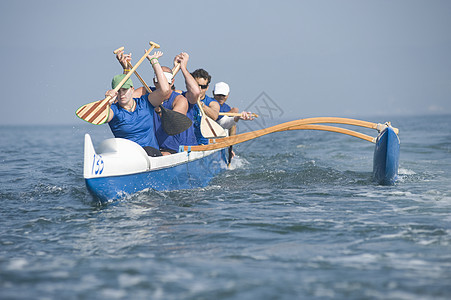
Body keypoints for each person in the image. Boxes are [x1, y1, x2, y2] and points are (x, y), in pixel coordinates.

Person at [116, 51, 200, 155]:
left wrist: (159, 112)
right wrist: (126, 70)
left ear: (172, 82)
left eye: (166, 82)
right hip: (154, 149)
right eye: (158, 81)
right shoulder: (145, 92)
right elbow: (124, 99)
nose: (162, 84)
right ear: (154, 81)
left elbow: (174, 125)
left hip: (177, 150)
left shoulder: (179, 99)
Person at [105, 51, 171, 157]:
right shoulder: (114, 110)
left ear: (132, 89)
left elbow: (165, 90)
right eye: (118, 91)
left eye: (124, 90)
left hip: (151, 155)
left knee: (162, 154)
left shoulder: (145, 103)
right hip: (129, 156)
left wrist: (154, 62)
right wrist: (106, 103)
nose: (121, 94)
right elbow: (104, 118)